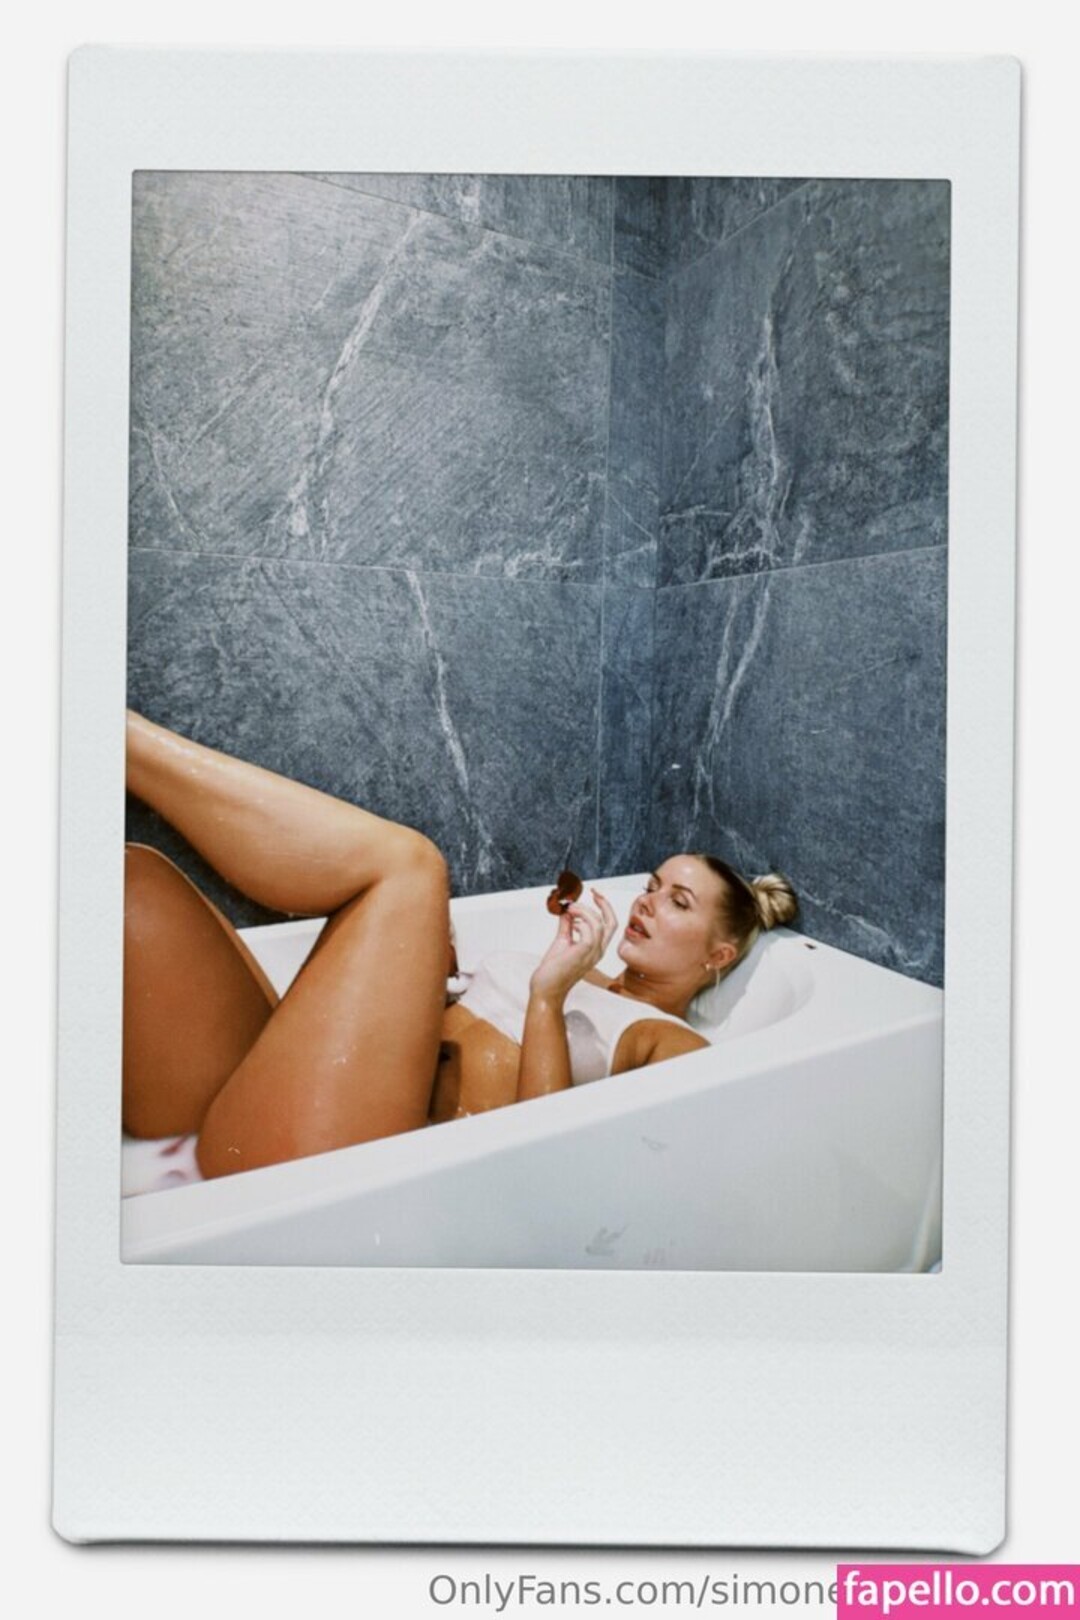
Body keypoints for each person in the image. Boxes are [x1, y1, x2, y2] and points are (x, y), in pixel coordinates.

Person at [123, 710, 797, 1185]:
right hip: (266, 1118)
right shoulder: (571, 968)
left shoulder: (673, 1045)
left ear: (719, 956)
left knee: (411, 868)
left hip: (342, 1171)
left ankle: (119, 739)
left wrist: (547, 996)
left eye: (679, 902)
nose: (647, 902)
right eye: (650, 886)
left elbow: (555, 1171)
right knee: (136, 883)